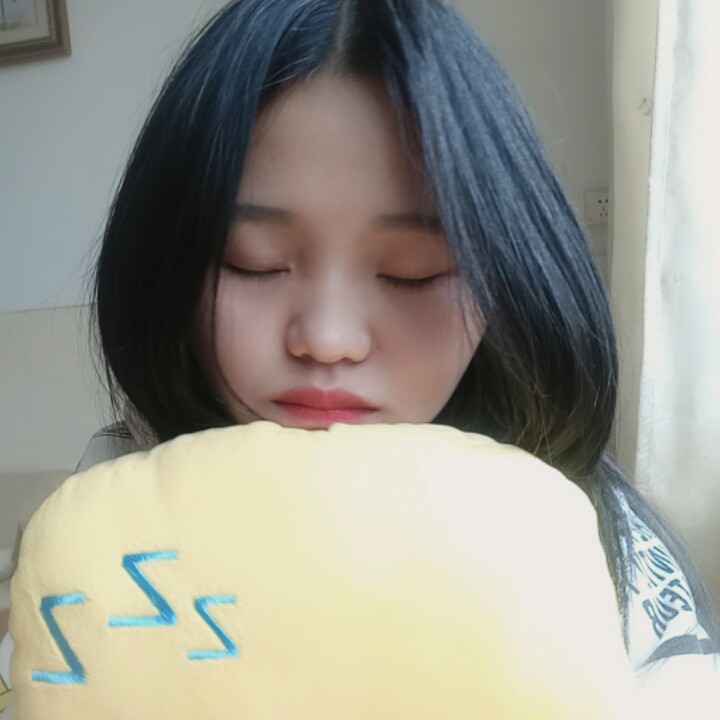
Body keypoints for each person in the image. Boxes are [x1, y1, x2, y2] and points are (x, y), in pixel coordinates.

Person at [1, 0, 718, 712]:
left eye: (413, 271)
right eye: (254, 261)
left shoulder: (584, 540)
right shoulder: (118, 503)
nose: (329, 338)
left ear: (506, 283)